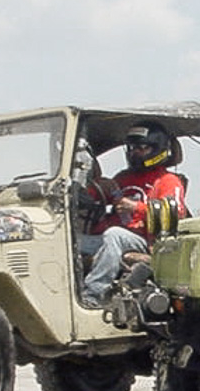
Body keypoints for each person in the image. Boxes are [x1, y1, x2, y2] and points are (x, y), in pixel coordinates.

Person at [80, 122, 187, 304]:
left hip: (146, 240)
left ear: (157, 149)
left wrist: (136, 207)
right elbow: (97, 194)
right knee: (71, 241)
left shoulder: (168, 181)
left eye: (142, 148)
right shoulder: (124, 177)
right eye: (132, 148)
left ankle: (93, 295)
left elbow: (176, 214)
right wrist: (92, 190)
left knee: (114, 235)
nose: (135, 153)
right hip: (109, 239)